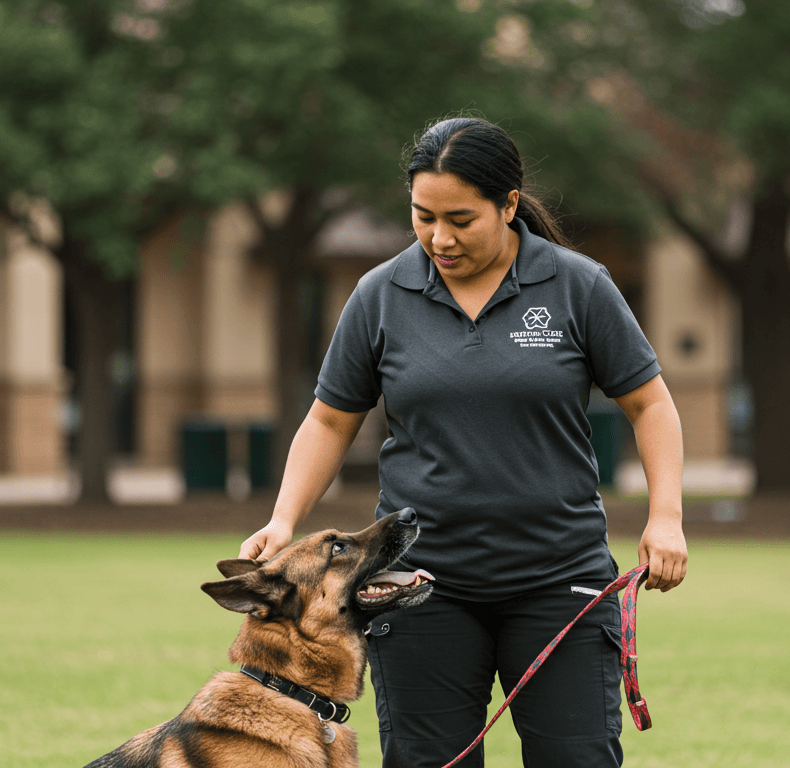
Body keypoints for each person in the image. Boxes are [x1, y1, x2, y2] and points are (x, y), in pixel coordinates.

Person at [238, 116, 688, 768]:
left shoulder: (577, 285)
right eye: (423, 217)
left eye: (461, 219)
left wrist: (666, 516)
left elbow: (650, 404)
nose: (439, 238)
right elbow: (331, 420)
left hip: (559, 581)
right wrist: (283, 520)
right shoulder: (380, 295)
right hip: (422, 590)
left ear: (508, 205)